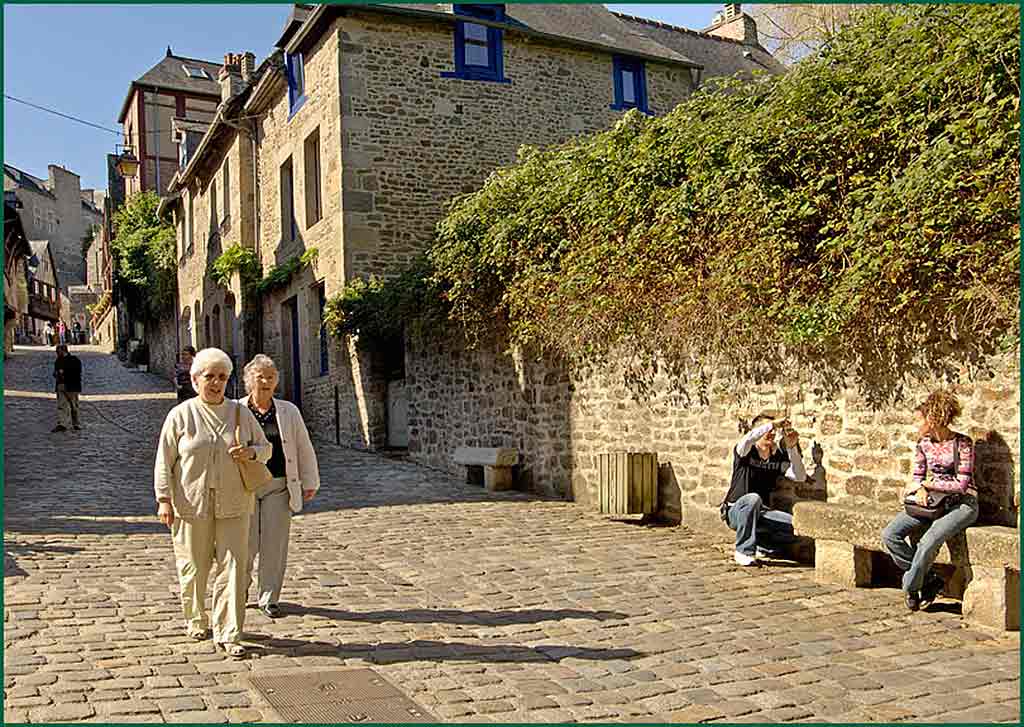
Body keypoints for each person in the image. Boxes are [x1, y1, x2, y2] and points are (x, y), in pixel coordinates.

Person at [153, 347, 272, 659]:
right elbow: (164, 462)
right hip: (191, 505)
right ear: (195, 380)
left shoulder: (240, 413)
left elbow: (266, 448)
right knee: (194, 567)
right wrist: (164, 499)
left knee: (234, 567)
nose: (216, 383)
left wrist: (251, 453)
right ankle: (195, 617)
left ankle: (230, 632)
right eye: (209, 377)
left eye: (222, 377)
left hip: (235, 502)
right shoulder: (180, 415)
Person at [238, 354, 320, 619]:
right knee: (244, 545)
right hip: (245, 487)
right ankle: (237, 594)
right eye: (260, 376)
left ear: (276, 382)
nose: (265, 381)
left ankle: (269, 598)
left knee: (275, 545)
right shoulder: (235, 410)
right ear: (249, 380)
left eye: (271, 377)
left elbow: (302, 446)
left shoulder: (288, 411)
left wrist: (310, 481)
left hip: (278, 485)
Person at [881, 391, 977, 612]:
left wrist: (928, 486)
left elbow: (962, 484)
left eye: (919, 419)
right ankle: (929, 579)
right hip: (932, 503)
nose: (916, 425)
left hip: (962, 504)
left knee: (928, 542)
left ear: (933, 418)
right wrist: (920, 487)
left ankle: (910, 586)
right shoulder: (923, 444)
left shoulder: (963, 443)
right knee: (890, 534)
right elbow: (916, 478)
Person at [720, 413, 806, 566]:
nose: (771, 432)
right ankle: (743, 551)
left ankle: (761, 545)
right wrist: (773, 424)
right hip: (735, 511)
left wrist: (792, 448)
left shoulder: (777, 457)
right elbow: (749, 438)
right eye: (767, 429)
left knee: (798, 528)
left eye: (773, 430)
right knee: (753, 498)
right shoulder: (745, 451)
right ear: (758, 431)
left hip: (762, 513)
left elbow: (799, 476)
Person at [51, 344, 82, 433]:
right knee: (61, 406)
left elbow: (77, 372)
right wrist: (56, 374)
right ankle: (62, 424)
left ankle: (76, 423)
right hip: (60, 385)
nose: (56, 353)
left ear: (64, 351)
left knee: (74, 406)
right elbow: (55, 372)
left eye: (58, 351)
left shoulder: (74, 360)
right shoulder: (58, 361)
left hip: (72, 386)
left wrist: (65, 372)